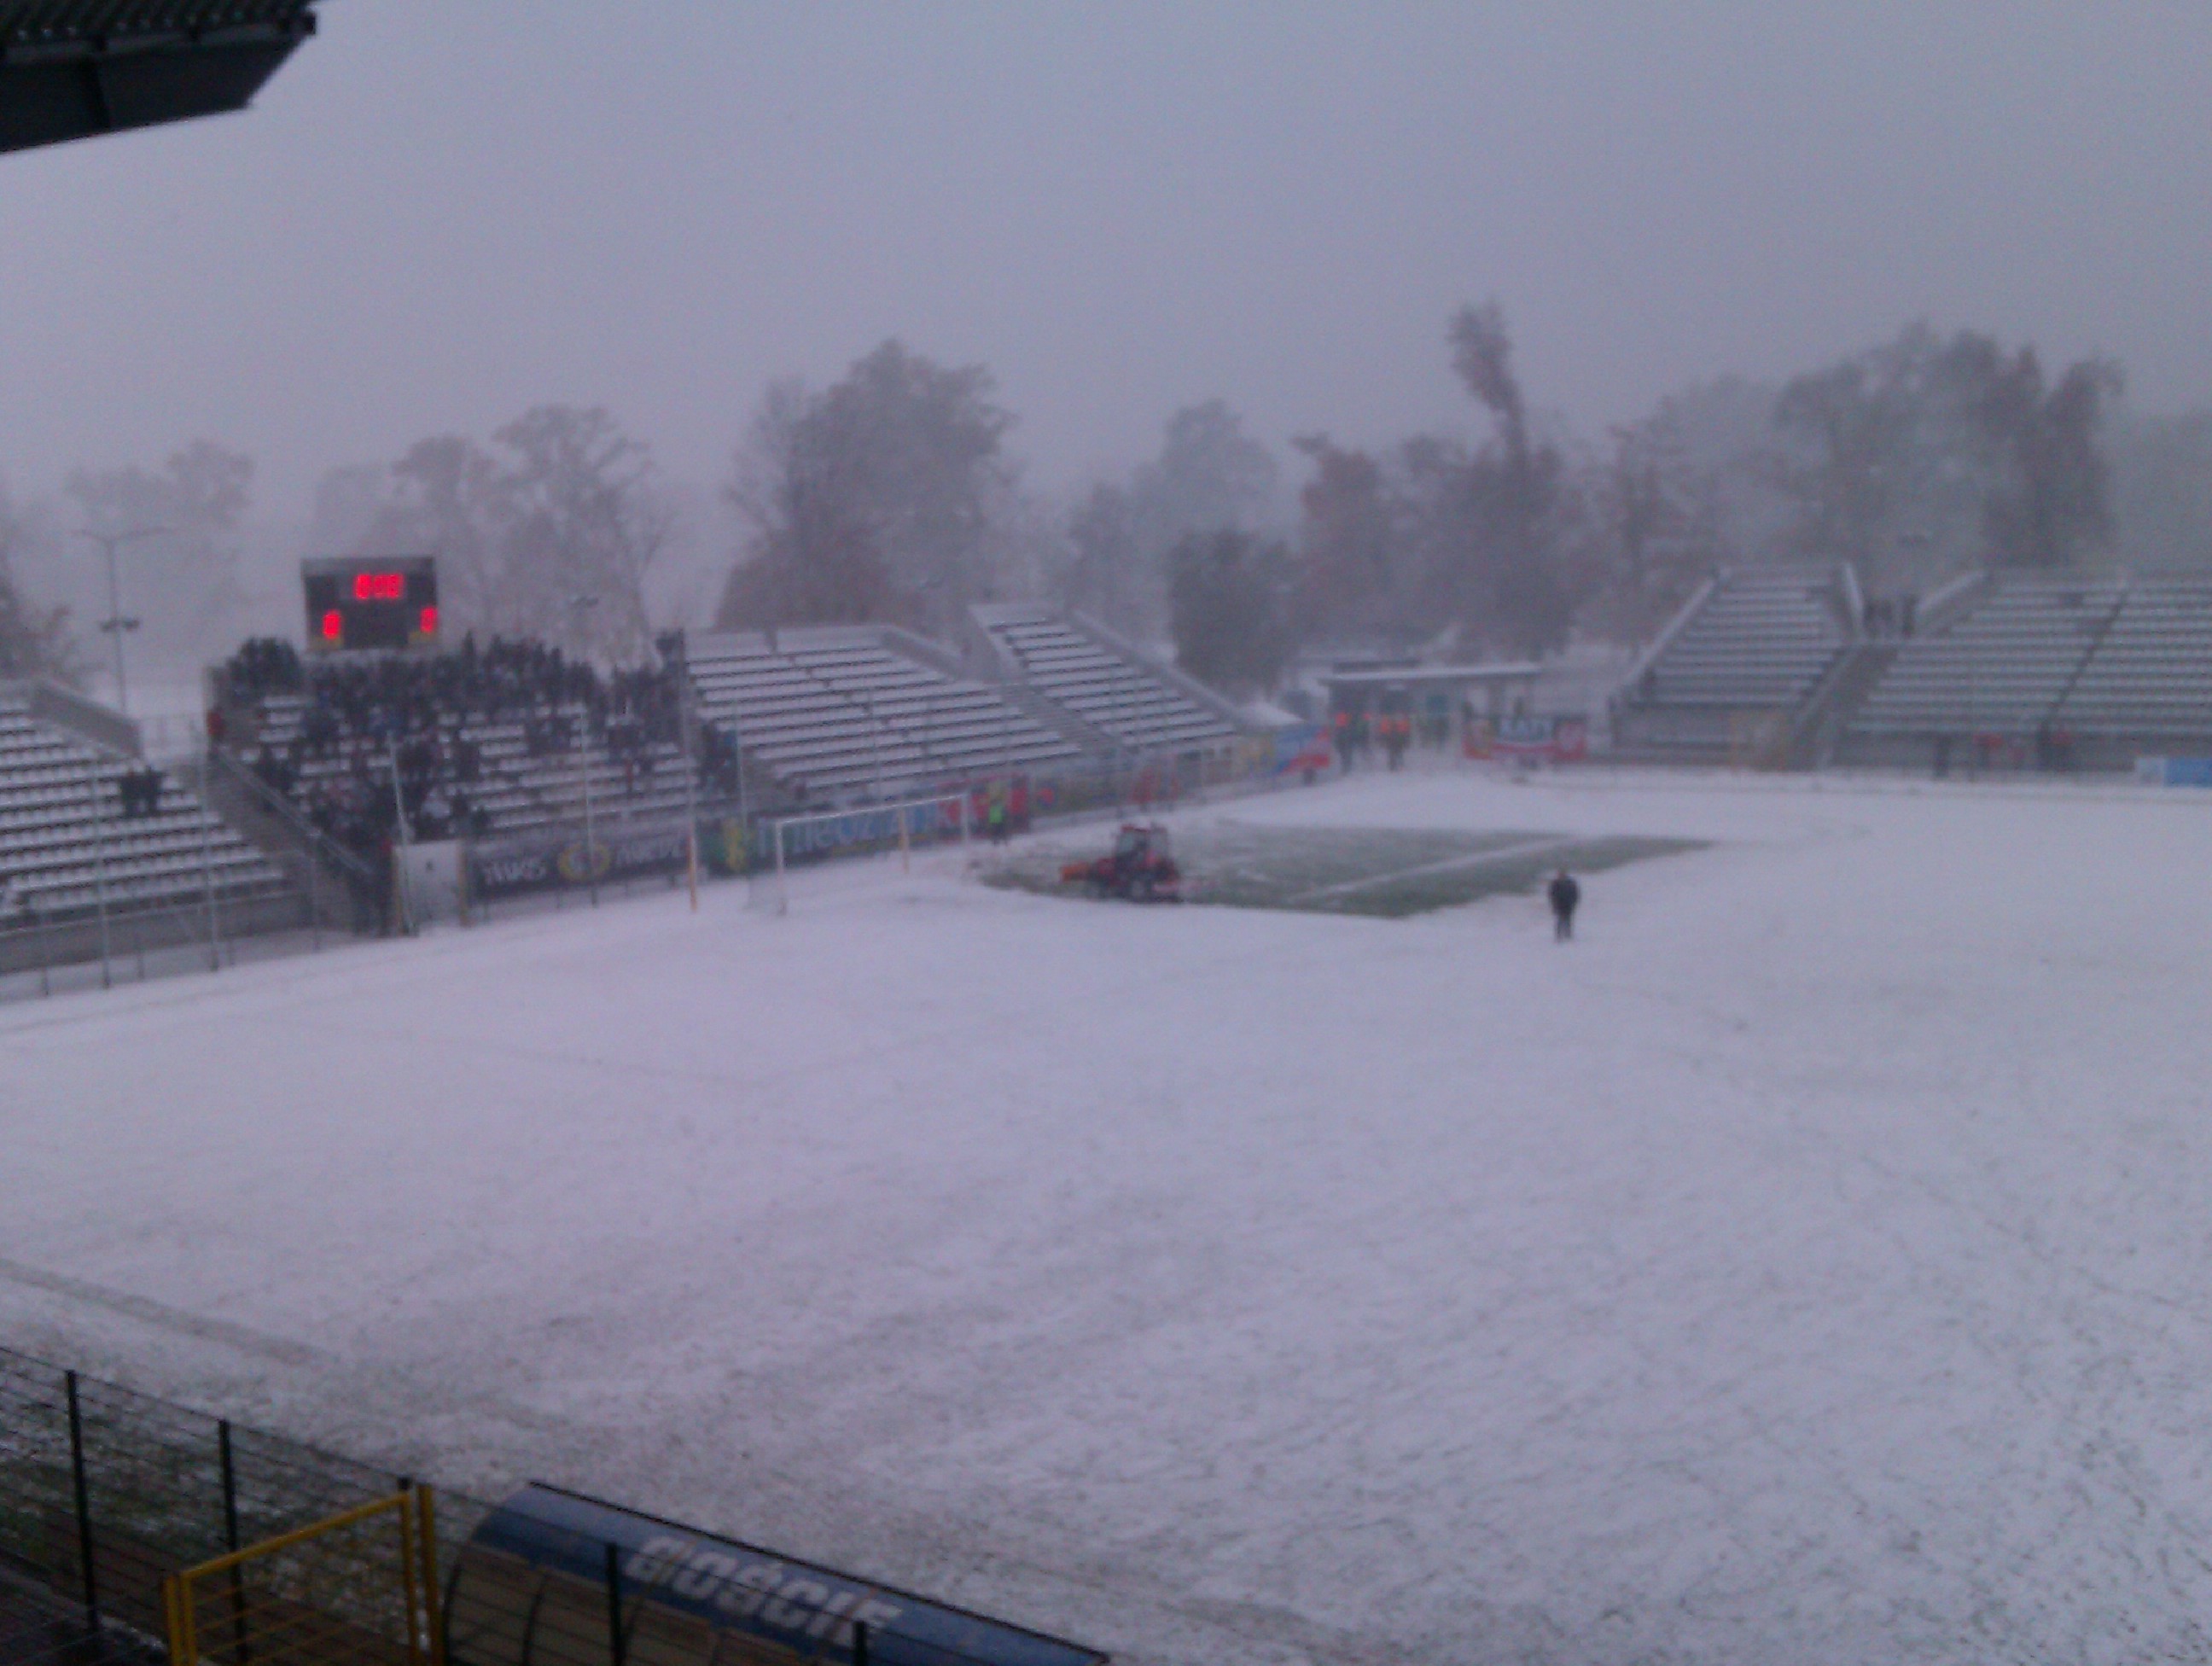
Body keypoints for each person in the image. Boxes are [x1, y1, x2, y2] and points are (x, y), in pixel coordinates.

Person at [1547, 868, 1580, 942]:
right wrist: (1553, 904)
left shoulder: (1570, 883)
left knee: (1568, 919)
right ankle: (1559, 935)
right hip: (1559, 904)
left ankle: (1568, 933)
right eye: (1560, 874)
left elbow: (1575, 893)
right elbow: (1552, 894)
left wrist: (1574, 902)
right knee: (1560, 919)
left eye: (1562, 874)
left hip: (1568, 904)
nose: (1561, 876)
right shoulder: (1555, 883)